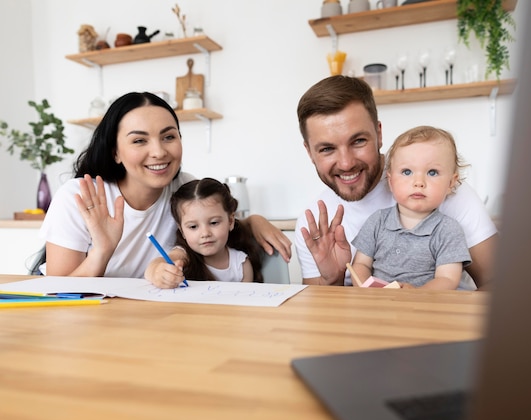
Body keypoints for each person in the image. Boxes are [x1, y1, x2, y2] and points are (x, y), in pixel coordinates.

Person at [39, 92, 290, 278]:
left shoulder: (184, 187)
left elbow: (214, 224)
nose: (158, 152)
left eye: (168, 137)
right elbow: (56, 293)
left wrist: (253, 222)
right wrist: (102, 250)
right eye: (139, 141)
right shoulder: (81, 197)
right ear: (115, 152)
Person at [295, 76, 497, 289]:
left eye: (358, 141)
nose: (346, 163)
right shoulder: (315, 224)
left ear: (379, 134)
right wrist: (332, 279)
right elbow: (322, 314)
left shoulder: (442, 189)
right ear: (309, 152)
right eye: (327, 149)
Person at [350, 126, 471, 290]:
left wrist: (417, 295)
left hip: (426, 307)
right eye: (407, 172)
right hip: (380, 304)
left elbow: (448, 279)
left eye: (432, 172)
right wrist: (365, 288)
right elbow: (361, 264)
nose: (418, 182)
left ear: (451, 183)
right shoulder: (377, 221)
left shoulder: (448, 230)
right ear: (391, 182)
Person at [145, 177, 264, 288]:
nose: (205, 233)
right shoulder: (183, 257)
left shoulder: (241, 265)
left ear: (230, 221)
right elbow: (156, 265)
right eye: (193, 226)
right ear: (182, 231)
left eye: (213, 223)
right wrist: (157, 271)